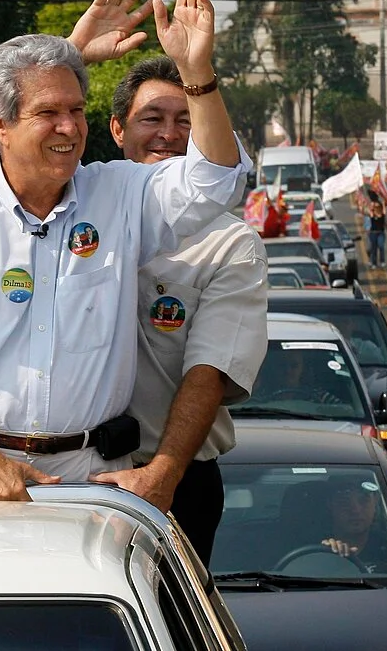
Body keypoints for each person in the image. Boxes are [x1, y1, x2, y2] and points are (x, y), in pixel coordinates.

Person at [0, 0, 250, 502]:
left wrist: (197, 73)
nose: (68, 128)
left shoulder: (120, 193)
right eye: (48, 113)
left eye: (76, 111)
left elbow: (215, 183)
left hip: (95, 479)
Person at [104, 55, 267, 562]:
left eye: (185, 122)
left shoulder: (230, 242)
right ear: (117, 129)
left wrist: (161, 478)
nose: (168, 135)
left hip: (171, 477)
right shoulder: (74, 207)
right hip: (70, 470)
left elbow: (209, 373)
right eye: (152, 118)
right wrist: (71, 52)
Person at [366, 200, 387, 269]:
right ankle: (374, 263)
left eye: (378, 207)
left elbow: (386, 225)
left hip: (381, 233)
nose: (377, 208)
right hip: (373, 233)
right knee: (373, 248)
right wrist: (371, 204)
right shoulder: (372, 214)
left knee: (381, 246)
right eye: (376, 207)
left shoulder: (383, 215)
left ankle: (382, 261)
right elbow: (369, 209)